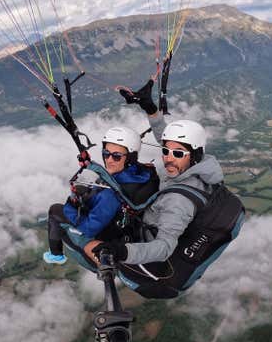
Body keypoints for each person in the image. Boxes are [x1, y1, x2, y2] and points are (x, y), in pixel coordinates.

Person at [88, 82, 245, 298]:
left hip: (158, 278)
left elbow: (163, 249)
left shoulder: (178, 201)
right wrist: (150, 108)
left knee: (85, 240)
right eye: (165, 151)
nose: (169, 158)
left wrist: (121, 251)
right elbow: (170, 140)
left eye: (177, 154)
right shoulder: (202, 167)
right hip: (160, 225)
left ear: (194, 155)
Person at [43, 126, 156, 264]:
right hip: (126, 225)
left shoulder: (110, 195)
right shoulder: (144, 173)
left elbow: (89, 229)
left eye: (116, 156)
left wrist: (71, 205)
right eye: (106, 153)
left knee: (55, 211)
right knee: (84, 191)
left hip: (108, 239)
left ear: (130, 158)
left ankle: (55, 255)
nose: (109, 160)